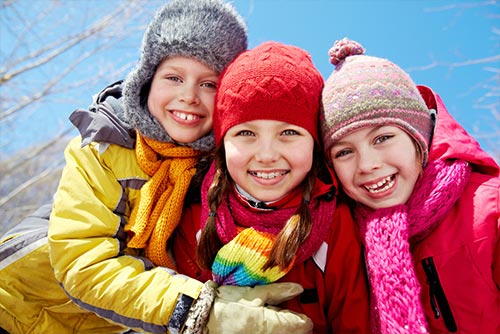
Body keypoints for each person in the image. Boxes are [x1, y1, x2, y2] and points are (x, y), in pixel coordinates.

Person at [0, 1, 315, 333]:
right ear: (146, 81)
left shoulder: (223, 173)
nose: (189, 95)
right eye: (174, 77)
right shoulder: (105, 146)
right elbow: (85, 264)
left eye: (208, 84)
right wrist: (202, 312)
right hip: (17, 305)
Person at [173, 41, 371, 333]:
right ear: (222, 145)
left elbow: (353, 322)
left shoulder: (334, 224)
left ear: (315, 144)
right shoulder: (196, 218)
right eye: (246, 133)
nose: (267, 155)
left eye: (289, 132)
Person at [320, 38, 500, 333]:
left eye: (382, 138)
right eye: (344, 152)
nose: (367, 165)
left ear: (419, 138)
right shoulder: (341, 243)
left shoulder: (489, 211)